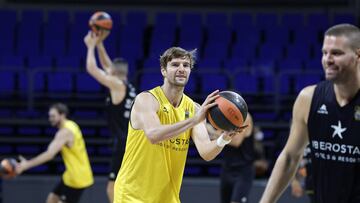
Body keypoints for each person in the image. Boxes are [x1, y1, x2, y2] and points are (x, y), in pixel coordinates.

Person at [112, 46, 245, 203]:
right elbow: (154, 135)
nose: (181, 69)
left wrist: (224, 138)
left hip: (167, 198)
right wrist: (193, 121)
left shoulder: (194, 108)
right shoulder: (147, 99)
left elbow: (206, 153)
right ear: (163, 70)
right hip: (132, 195)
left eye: (186, 65)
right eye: (175, 65)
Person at [260, 23, 360, 203]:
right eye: (324, 53)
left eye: (336, 53)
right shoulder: (308, 98)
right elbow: (290, 157)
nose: (327, 59)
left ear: (358, 55)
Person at [84, 30, 137, 203]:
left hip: (123, 142)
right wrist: (100, 43)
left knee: (112, 187)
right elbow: (108, 66)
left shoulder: (116, 84)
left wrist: (91, 46)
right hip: (131, 140)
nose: (107, 69)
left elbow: (92, 68)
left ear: (113, 72)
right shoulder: (126, 84)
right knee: (125, 185)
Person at [16, 103, 94, 203]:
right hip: (70, 175)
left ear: (62, 115)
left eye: (53, 116)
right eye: (49, 116)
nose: (50, 119)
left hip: (77, 178)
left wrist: (26, 165)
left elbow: (49, 154)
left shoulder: (65, 132)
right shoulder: (71, 124)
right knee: (52, 199)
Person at [207, 114, 255, 203]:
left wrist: (212, 132)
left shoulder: (245, 117)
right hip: (227, 167)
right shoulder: (224, 116)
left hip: (243, 169)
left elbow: (236, 141)